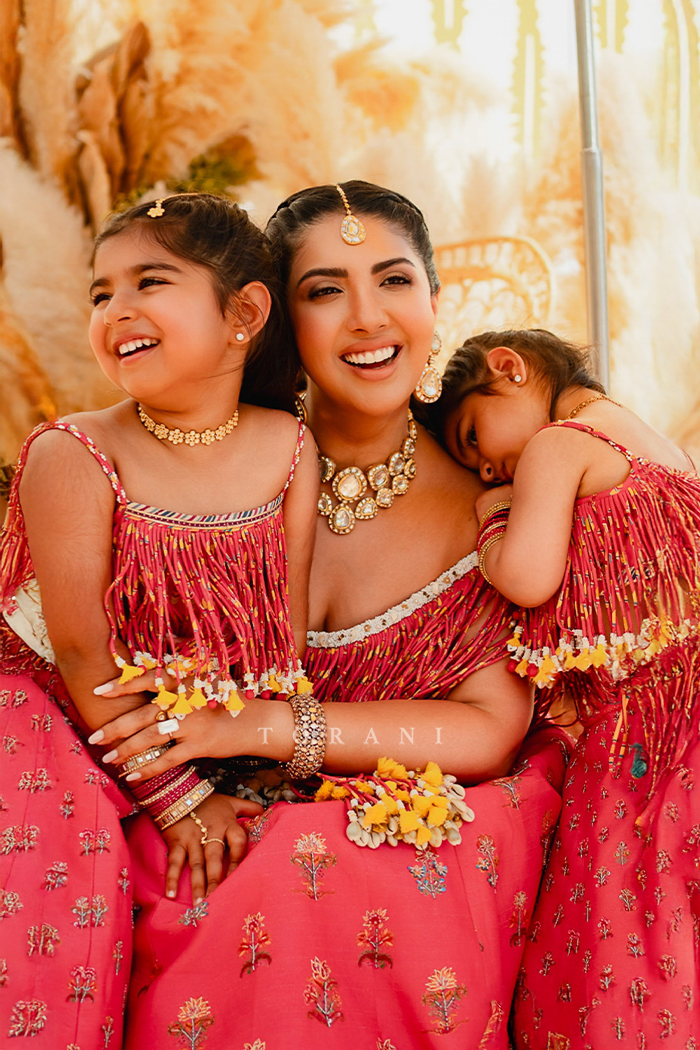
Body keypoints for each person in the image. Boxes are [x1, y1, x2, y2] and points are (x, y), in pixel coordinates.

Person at [92, 182, 569, 1049]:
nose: (367, 318)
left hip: (416, 843)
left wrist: (273, 727)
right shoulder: (211, 462)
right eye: (324, 290)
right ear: (274, 317)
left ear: (434, 301)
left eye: (393, 281)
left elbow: (492, 728)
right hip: (198, 814)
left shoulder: (504, 500)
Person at [0, 192, 318, 1048]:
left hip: (209, 730)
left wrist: (257, 767)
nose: (116, 310)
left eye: (150, 281)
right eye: (101, 292)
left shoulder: (290, 446)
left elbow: (279, 636)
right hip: (70, 721)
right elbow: (78, 647)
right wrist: (180, 800)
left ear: (245, 312)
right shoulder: (74, 451)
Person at [432, 327, 700, 1047]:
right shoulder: (650, 440)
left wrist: (490, 522)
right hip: (686, 711)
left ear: (509, 368)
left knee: (618, 927)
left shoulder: (559, 444)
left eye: (473, 436)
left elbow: (526, 578)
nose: (489, 467)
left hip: (644, 729)